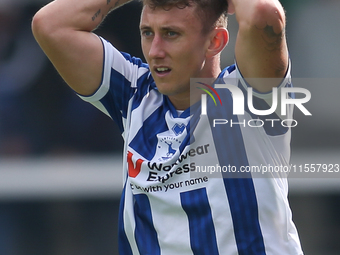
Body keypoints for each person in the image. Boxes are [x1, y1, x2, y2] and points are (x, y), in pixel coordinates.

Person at [32, 0, 303, 254]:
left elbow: (264, 14)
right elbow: (50, 24)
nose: (155, 51)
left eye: (171, 34)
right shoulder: (133, 95)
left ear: (215, 41)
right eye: (148, 32)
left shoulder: (251, 97)